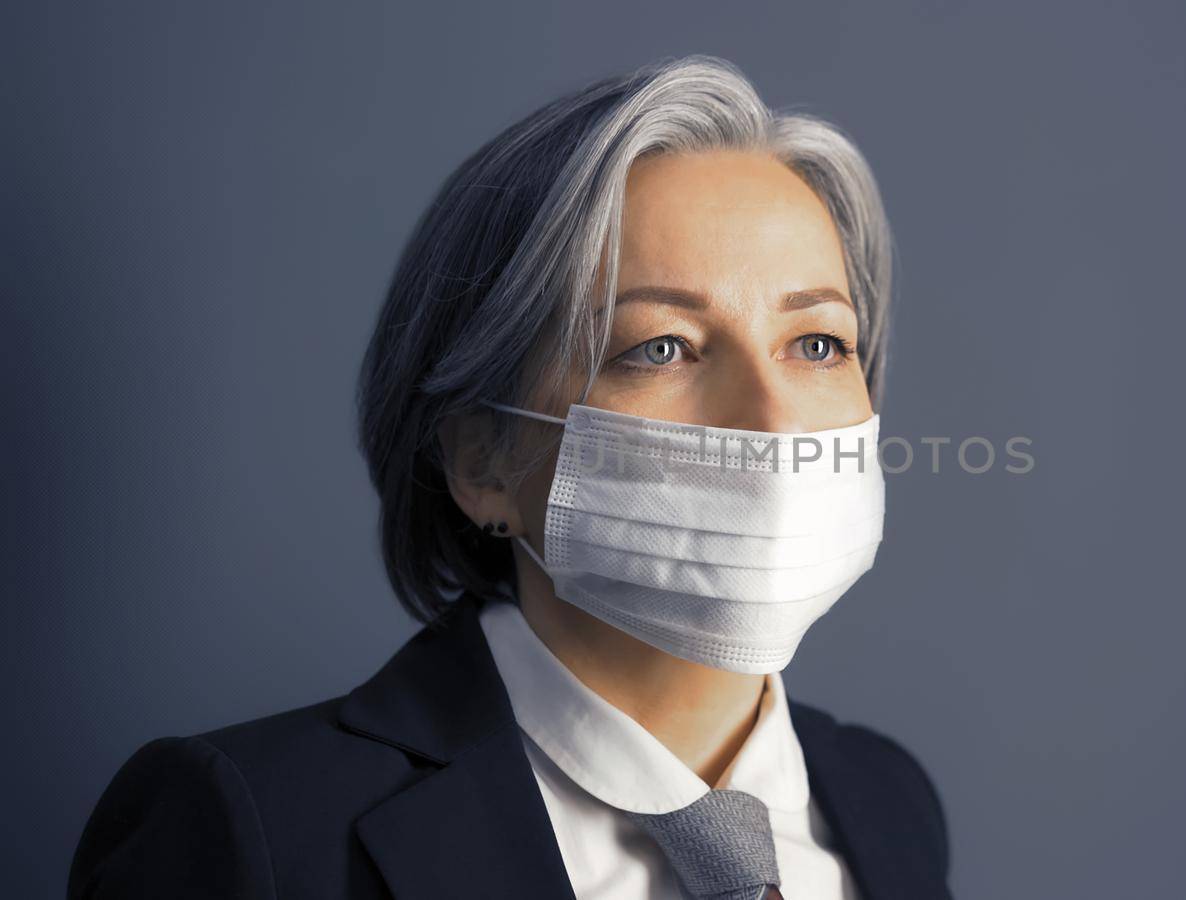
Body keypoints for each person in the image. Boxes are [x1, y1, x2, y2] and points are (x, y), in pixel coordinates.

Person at [68, 54, 951, 899]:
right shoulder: (257, 828)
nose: (774, 420)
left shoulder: (885, 803)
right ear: (480, 460)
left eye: (819, 344)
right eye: (660, 347)